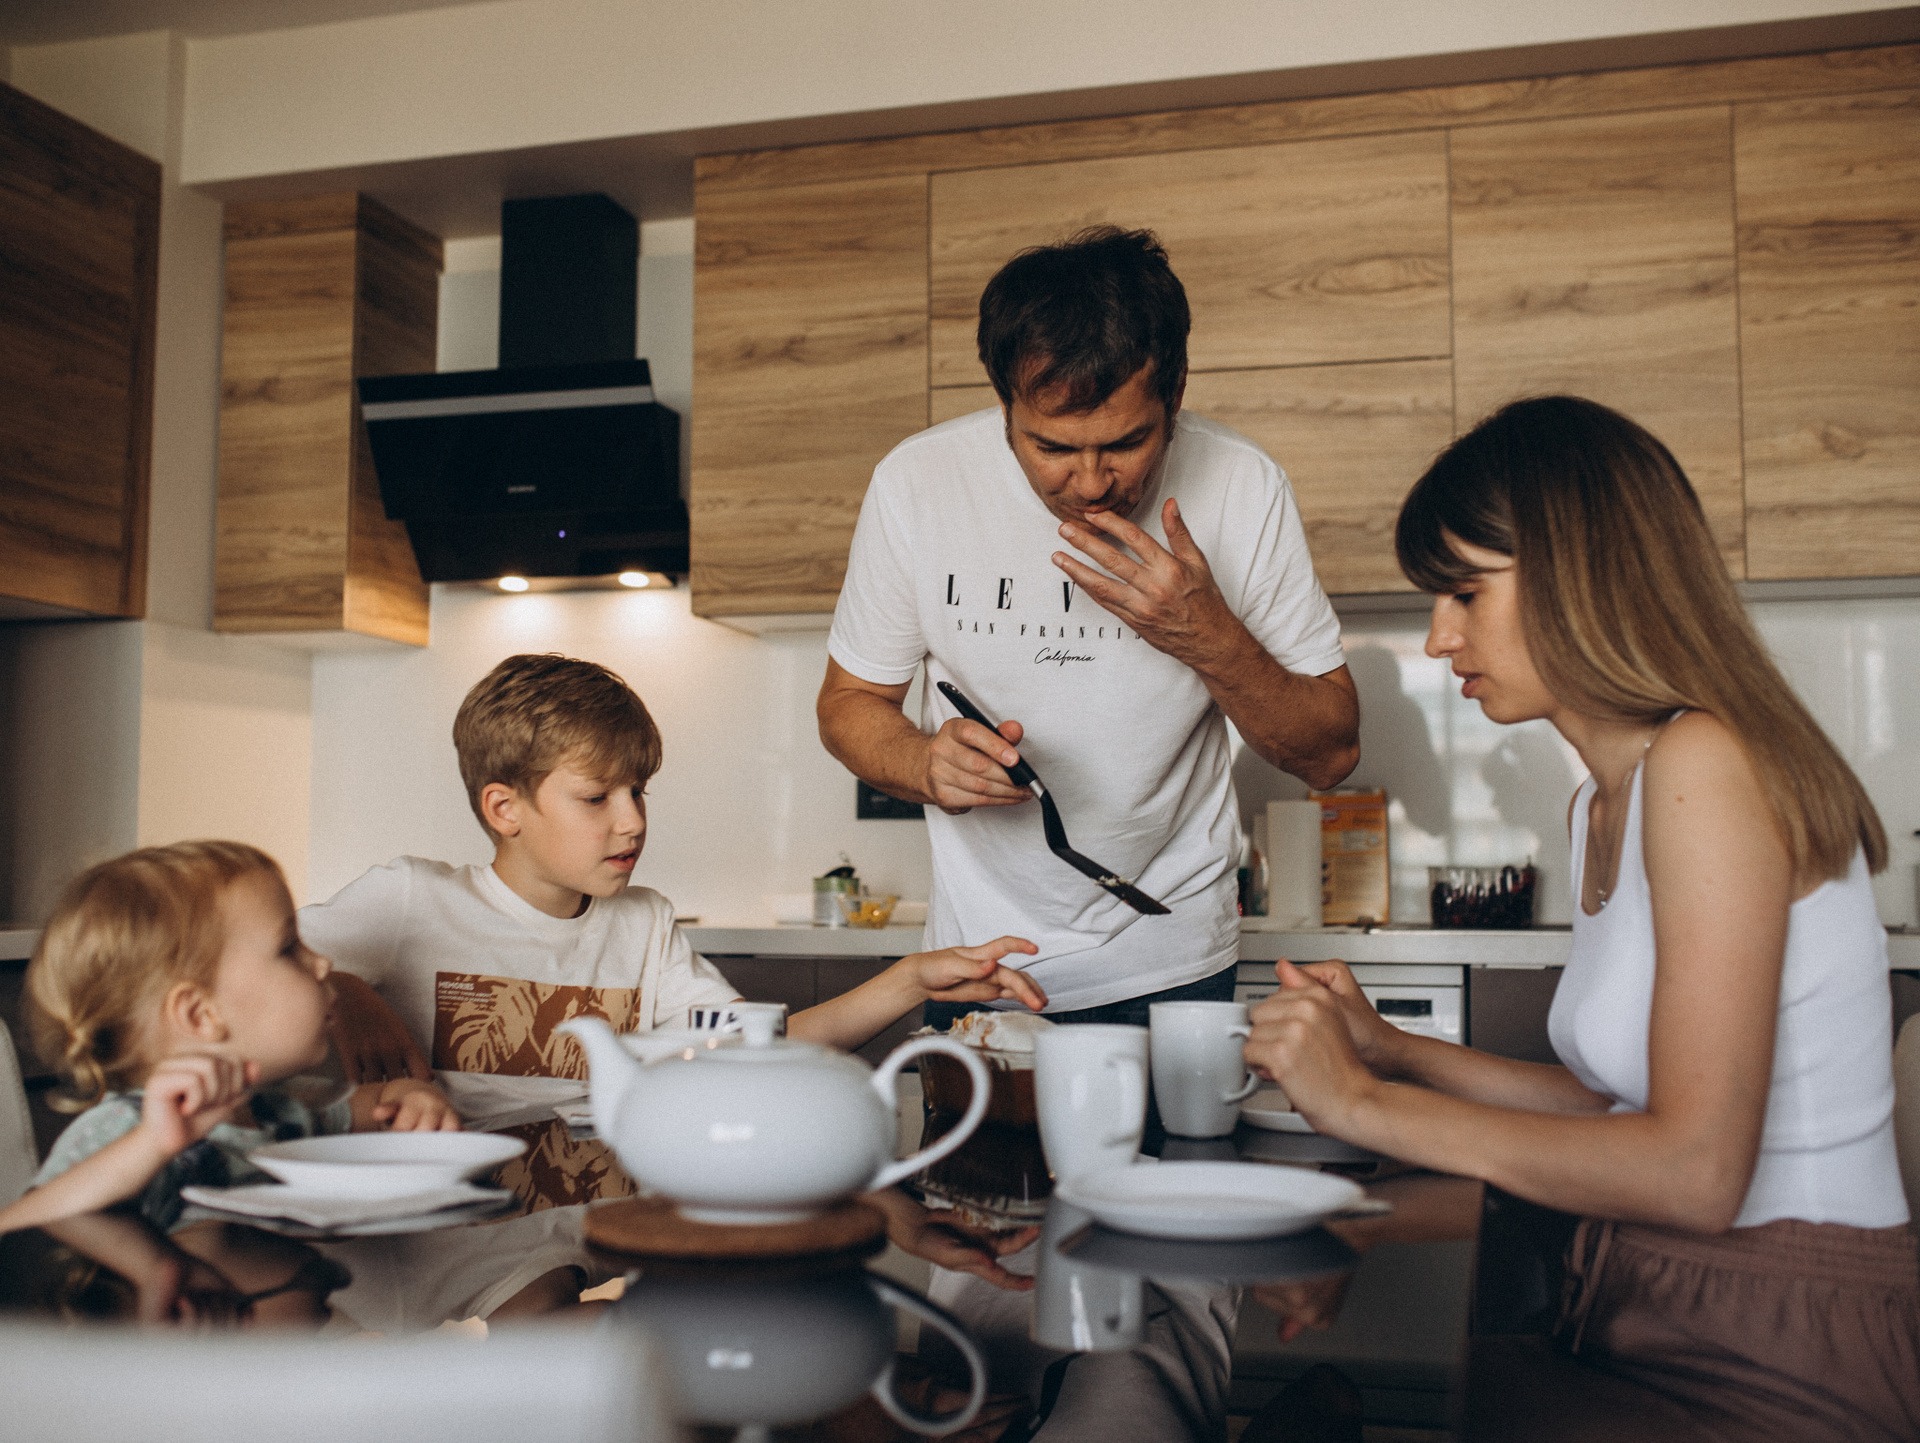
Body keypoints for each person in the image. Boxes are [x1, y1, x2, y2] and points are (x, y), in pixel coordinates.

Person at [1243, 396, 1919, 1442]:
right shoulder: (1605, 802)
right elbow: (1612, 1106)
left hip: (1780, 1347)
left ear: (1579, 573)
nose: (1438, 636)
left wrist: (1366, 1106)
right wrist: (1390, 1053)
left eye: (1466, 592)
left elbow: (1694, 1171)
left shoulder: (1705, 765)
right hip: (1646, 1295)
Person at [818, 225, 1359, 1027]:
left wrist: (1207, 635)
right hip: (978, 963)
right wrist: (923, 762)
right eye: (1052, 447)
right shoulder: (917, 484)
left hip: (1173, 960)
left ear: (1175, 392)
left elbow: (1332, 754)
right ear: (1004, 404)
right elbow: (848, 704)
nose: (1093, 482)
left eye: (1128, 443)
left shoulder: (1245, 487)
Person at [317, 652, 1045, 1218]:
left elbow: (757, 1048)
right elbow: (257, 971)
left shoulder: (643, 923)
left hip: (601, 1210)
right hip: (442, 1223)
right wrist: (342, 987)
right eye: (597, 797)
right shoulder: (410, 898)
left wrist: (911, 978)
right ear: (505, 808)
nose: (632, 820)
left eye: (639, 791)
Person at [0, 840, 458, 1324]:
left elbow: (368, 1110)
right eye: (289, 949)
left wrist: (408, 1095)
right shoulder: (132, 1127)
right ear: (201, 1015)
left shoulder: (272, 1112)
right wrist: (153, 1155)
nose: (322, 963)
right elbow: (34, 1217)